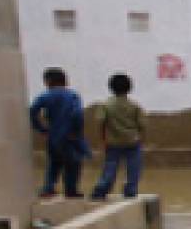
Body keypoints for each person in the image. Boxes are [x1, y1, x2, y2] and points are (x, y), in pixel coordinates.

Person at [29, 67, 89, 198]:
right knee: (73, 164)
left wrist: (40, 128)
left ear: (48, 81)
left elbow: (33, 111)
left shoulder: (45, 96)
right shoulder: (73, 96)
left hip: (53, 135)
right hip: (70, 136)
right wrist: (76, 131)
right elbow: (78, 114)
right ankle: (70, 190)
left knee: (54, 163)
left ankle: (48, 188)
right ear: (65, 80)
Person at [90, 73, 147, 202]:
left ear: (111, 88)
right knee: (134, 169)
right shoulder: (135, 106)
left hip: (113, 143)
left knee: (110, 167)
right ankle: (130, 191)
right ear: (130, 88)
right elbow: (142, 125)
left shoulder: (105, 105)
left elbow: (101, 123)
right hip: (133, 142)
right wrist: (142, 140)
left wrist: (102, 140)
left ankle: (101, 191)